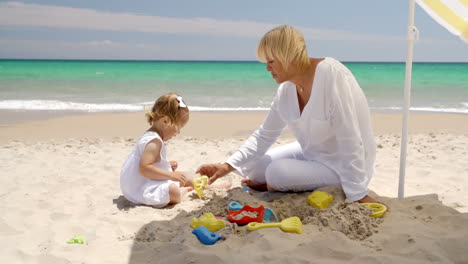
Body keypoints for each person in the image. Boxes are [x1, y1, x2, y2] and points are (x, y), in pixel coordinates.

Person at [197, 25, 378, 203]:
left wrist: (357, 192)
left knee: (276, 173)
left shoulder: (330, 73)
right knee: (256, 169)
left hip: (342, 164)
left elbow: (350, 137)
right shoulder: (286, 89)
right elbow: (265, 134)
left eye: (271, 61)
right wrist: (227, 166)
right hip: (314, 153)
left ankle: (278, 184)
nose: (267, 68)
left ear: (288, 55)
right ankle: (279, 183)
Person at [120, 92, 193, 207]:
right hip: (139, 188)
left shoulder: (151, 135)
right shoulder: (154, 142)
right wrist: (170, 175)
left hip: (141, 182)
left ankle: (210, 187)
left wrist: (165, 165)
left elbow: (150, 163)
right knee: (173, 190)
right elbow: (144, 169)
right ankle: (183, 192)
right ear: (165, 121)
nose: (178, 132)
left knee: (185, 176)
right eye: (179, 127)